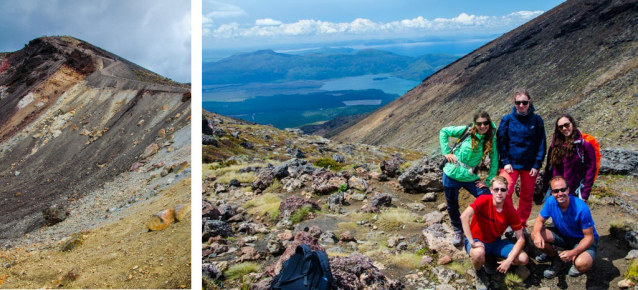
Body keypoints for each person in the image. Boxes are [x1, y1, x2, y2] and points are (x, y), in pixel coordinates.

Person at [440, 109, 498, 247]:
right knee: (452, 204)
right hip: (451, 173)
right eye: (479, 123)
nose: (483, 126)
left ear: (489, 123)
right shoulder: (466, 131)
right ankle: (458, 230)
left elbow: (494, 160)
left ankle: (482, 226)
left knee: (486, 197)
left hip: (470, 176)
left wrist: (489, 181)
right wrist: (446, 152)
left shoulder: (491, 139)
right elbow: (444, 131)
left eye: (486, 123)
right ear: (475, 124)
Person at [461, 176, 529, 290]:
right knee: (478, 254)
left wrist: (508, 260)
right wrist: (472, 242)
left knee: (523, 259)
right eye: (496, 189)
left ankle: (494, 261)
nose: (499, 193)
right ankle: (479, 272)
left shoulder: (510, 211)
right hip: (477, 240)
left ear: (507, 191)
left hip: (495, 242)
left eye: (503, 190)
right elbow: (464, 216)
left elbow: (521, 238)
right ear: (491, 190)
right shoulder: (483, 199)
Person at [531, 176, 599, 278]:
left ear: (568, 190)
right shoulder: (550, 202)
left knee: (582, 263)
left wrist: (573, 252)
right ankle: (555, 258)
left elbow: (589, 237)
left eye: (563, 189)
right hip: (564, 235)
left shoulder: (581, 208)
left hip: (582, 239)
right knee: (535, 234)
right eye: (556, 191)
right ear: (552, 192)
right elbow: (539, 220)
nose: (560, 194)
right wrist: (537, 235)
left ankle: (576, 259)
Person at [497, 89, 546, 228]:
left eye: (524, 102)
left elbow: (541, 142)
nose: (521, 105)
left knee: (527, 196)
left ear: (529, 102)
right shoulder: (507, 119)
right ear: (514, 103)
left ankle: (521, 223)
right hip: (510, 164)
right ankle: (510, 218)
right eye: (518, 103)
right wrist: (505, 161)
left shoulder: (537, 120)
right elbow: (501, 141)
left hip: (530, 165)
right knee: (504, 190)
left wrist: (537, 164)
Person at [541, 114, 596, 201]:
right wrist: (545, 188)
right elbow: (549, 168)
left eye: (566, 125)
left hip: (575, 193)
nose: (564, 128)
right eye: (560, 127)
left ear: (572, 124)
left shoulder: (584, 146)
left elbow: (590, 171)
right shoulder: (555, 146)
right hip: (556, 193)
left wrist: (585, 194)